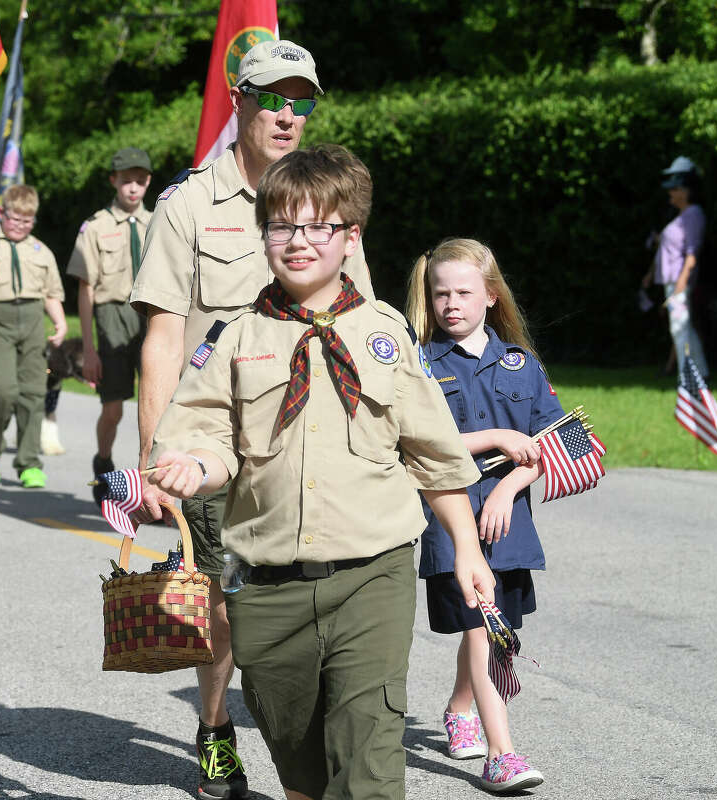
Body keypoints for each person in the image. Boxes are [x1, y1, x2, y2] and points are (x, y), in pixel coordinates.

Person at [150, 144, 495, 800]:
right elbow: (212, 440)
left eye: (318, 227)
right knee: (299, 763)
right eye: (282, 226)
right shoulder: (235, 340)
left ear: (349, 237)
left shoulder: (385, 334)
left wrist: (468, 550)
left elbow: (435, 455)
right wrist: (194, 466)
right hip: (267, 583)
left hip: (372, 574)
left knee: (368, 759)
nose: (299, 242)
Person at [129, 39, 374, 799]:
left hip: (312, 441)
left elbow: (363, 320)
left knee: (324, 595)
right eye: (273, 97)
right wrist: (153, 457)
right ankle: (213, 726)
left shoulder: (328, 199)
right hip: (213, 442)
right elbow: (164, 337)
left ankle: (328, 751)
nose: (287, 115)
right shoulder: (189, 204)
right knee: (227, 607)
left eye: (302, 101)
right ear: (238, 97)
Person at [404, 238, 557, 793]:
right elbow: (417, 442)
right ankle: (503, 754)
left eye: (464, 292)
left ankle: (459, 706)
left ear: (491, 296)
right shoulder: (418, 363)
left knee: (496, 628)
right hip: (451, 525)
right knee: (485, 627)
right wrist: (492, 438)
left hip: (508, 523)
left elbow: (555, 439)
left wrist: (507, 488)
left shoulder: (522, 363)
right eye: (440, 293)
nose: (451, 303)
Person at [0, 184, 67, 489]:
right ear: (2, 214)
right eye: (14, 219)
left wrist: (60, 323)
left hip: (31, 323)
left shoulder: (41, 251)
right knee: (1, 391)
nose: (20, 226)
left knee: (32, 393)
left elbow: (51, 294)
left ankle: (28, 462)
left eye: (27, 221)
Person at [67, 147, 153, 479]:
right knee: (114, 406)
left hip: (151, 315)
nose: (133, 188)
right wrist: (89, 349)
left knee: (155, 407)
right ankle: (103, 461)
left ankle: (149, 481)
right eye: (126, 181)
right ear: (113, 181)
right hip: (112, 317)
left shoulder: (160, 221)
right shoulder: (95, 226)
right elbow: (86, 289)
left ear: (148, 182)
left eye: (140, 181)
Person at [642, 155, 709, 379]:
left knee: (679, 329)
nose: (671, 193)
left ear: (686, 191)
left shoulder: (693, 215)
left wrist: (681, 284)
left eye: (675, 189)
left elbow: (692, 253)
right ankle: (700, 374)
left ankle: (686, 377)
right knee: (684, 328)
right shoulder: (680, 216)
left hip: (679, 282)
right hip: (672, 282)